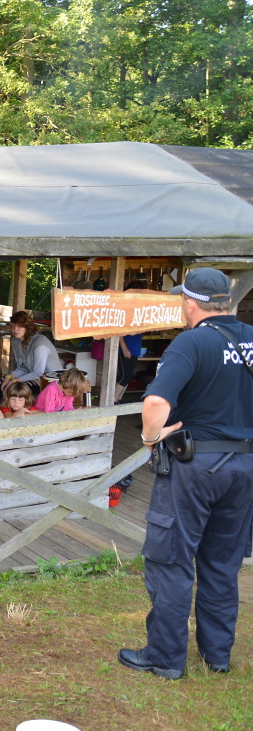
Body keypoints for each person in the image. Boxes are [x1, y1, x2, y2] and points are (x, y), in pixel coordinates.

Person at [119, 268, 253, 680]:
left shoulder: (191, 342)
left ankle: (165, 656)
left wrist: (149, 438)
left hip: (195, 467)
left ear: (190, 303)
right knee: (222, 563)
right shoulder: (250, 338)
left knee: (171, 560)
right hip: (244, 466)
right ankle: (217, 655)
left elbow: (155, 402)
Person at [0, 311, 60, 405]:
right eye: (13, 326)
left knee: (17, 388)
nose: (15, 329)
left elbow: (39, 373)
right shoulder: (16, 341)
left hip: (48, 380)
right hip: (32, 376)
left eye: (20, 326)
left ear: (28, 327)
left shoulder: (40, 344)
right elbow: (23, 367)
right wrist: (9, 377)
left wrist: (15, 380)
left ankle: (12, 412)